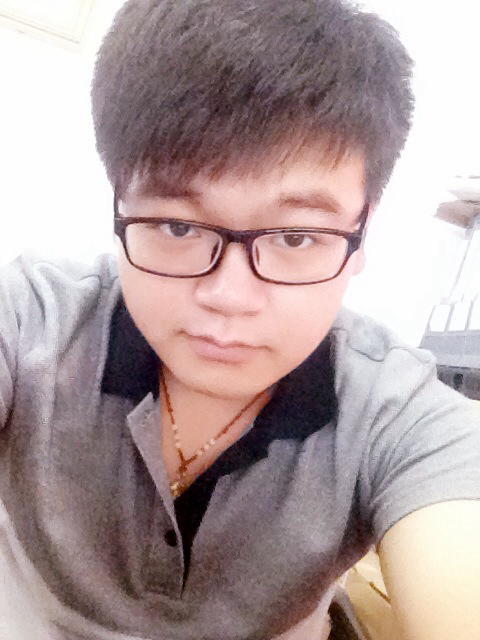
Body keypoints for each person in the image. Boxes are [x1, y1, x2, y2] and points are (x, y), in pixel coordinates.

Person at [0, 0, 479, 638]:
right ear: (119, 208)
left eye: (295, 236)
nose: (230, 296)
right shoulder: (31, 322)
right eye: (177, 226)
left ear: (360, 236)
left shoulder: (398, 414)